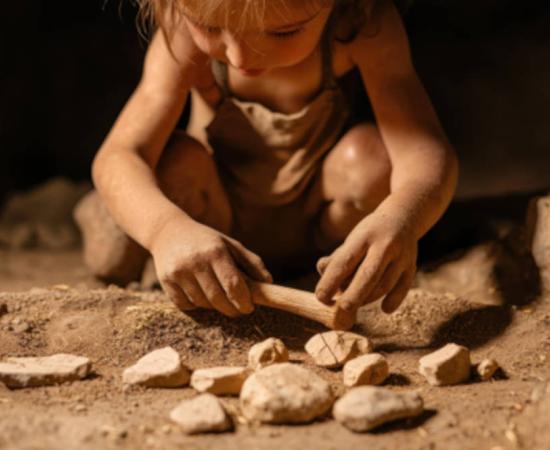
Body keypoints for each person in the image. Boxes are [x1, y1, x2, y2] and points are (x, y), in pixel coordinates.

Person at [77, 0, 458, 319]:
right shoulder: (180, 31)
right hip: (213, 229)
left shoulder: (358, 25)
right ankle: (111, 218)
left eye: (283, 32)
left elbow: (425, 152)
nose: (240, 56)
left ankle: (311, 274)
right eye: (209, 27)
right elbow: (120, 153)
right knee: (175, 165)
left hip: (322, 231)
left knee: (373, 160)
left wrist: (402, 219)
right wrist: (165, 230)